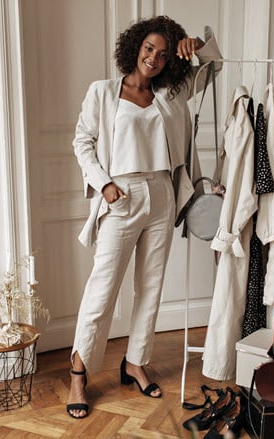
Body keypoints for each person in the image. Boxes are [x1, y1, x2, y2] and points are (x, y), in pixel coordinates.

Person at [67, 16, 221, 419]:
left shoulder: (171, 93)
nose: (153, 59)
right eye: (149, 48)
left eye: (163, 54)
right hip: (120, 195)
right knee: (103, 289)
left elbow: (214, 65)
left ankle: (135, 362)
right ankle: (78, 374)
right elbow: (82, 141)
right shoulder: (103, 92)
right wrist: (103, 184)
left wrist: (196, 48)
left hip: (161, 194)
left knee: (150, 287)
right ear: (136, 46)